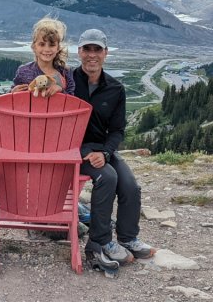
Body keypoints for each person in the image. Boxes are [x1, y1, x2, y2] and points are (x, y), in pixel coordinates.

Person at [72, 28, 156, 269]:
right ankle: (99, 243)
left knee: (130, 185)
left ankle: (128, 238)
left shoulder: (116, 89)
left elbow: (117, 130)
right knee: (107, 178)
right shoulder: (68, 82)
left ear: (105, 53)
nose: (91, 55)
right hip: (75, 148)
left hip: (102, 148)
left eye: (97, 49)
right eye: (87, 49)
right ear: (79, 52)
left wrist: (106, 153)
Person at [11, 16, 75, 96]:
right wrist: (12, 93)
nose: (47, 49)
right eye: (42, 44)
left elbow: (72, 100)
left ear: (58, 48)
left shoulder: (65, 72)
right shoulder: (23, 71)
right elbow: (12, 102)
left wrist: (61, 90)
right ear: (34, 47)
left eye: (52, 45)